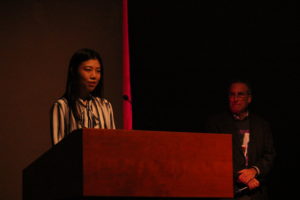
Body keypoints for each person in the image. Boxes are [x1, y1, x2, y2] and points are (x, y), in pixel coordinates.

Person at [205, 79, 275, 200]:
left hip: (256, 191)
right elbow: (212, 157)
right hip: (228, 190)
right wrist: (239, 175)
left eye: (240, 94)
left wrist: (254, 170)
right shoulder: (216, 123)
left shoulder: (262, 125)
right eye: (232, 94)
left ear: (249, 99)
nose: (235, 99)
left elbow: (269, 155)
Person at [50, 48, 116, 145]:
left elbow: (113, 142)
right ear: (74, 71)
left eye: (98, 71)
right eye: (88, 70)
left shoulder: (105, 106)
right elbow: (58, 150)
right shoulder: (62, 106)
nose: (94, 76)